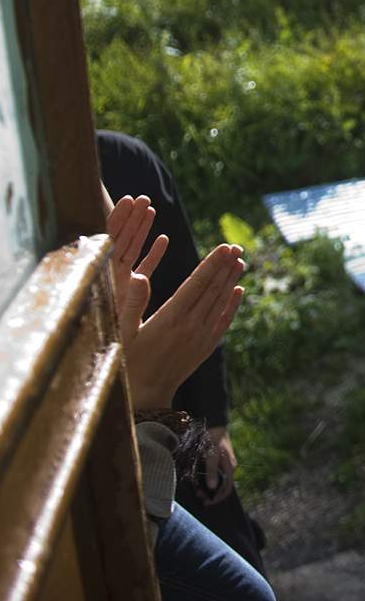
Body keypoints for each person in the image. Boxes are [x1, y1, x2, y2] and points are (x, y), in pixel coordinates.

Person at [99, 130, 266, 571]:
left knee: (242, 568)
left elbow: (190, 304)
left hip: (178, 421)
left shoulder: (124, 162)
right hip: (105, 458)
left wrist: (213, 426)